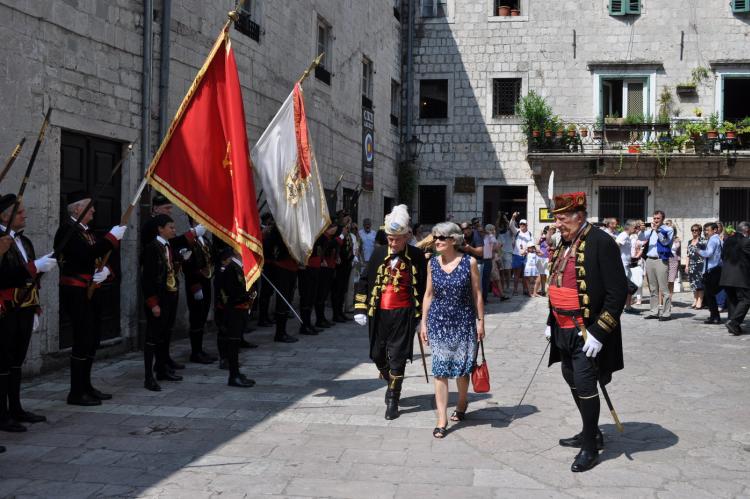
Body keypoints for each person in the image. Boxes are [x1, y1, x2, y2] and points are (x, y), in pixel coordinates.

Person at [545, 191, 627, 472]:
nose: (557, 223)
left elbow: (618, 293)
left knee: (585, 382)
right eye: (556, 218)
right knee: (570, 376)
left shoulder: (601, 242)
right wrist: (549, 319)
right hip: (562, 327)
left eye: (562, 218)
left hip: (586, 330)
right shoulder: (562, 243)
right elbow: (557, 282)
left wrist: (599, 332)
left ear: (579, 216)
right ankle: (591, 431)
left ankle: (590, 448)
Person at [353, 205, 427, 420]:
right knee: (377, 354)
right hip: (379, 313)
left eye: (397, 239)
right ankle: (390, 380)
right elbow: (364, 280)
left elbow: (423, 286)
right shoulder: (378, 253)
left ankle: (394, 397)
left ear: (406, 236)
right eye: (389, 238)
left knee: (398, 357)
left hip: (404, 314)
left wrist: (423, 315)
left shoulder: (416, 255)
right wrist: (360, 307)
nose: (392, 243)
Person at [55, 191, 127, 405]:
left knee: (93, 339)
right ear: (77, 209)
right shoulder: (67, 231)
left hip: (92, 290)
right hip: (77, 292)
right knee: (82, 339)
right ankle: (76, 392)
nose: (94, 210)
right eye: (89, 206)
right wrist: (111, 238)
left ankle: (86, 386)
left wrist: (106, 271)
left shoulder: (86, 231)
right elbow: (84, 254)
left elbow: (97, 256)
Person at [419, 222, 484, 438]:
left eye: (442, 238)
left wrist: (480, 321)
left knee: (461, 370)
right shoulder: (432, 264)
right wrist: (423, 322)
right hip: (438, 322)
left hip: (463, 322)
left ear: (453, 240)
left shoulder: (469, 262)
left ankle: (462, 402)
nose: (436, 241)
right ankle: (441, 419)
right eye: (435, 237)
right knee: (440, 370)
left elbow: (477, 294)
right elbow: (428, 294)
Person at [0, 194, 58, 432]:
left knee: (16, 363)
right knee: (2, 364)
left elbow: (30, 280)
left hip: (24, 309)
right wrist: (34, 267)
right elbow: (4, 277)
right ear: (6, 215)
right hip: (6, 311)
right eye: (20, 211)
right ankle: (1, 416)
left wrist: (35, 308)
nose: (25, 214)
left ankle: (16, 408)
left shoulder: (26, 242)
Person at [140, 194, 205, 370]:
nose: (170, 212)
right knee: (157, 330)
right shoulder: (150, 226)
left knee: (167, 327)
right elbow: (162, 246)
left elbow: (170, 246)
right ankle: (158, 365)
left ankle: (165, 359)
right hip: (158, 284)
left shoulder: (165, 229)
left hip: (170, 281)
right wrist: (190, 235)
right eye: (167, 209)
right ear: (155, 208)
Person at [141, 215, 184, 391]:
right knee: (152, 337)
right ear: (160, 229)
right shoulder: (152, 248)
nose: (174, 230)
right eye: (171, 227)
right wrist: (153, 303)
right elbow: (147, 278)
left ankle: (161, 368)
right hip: (158, 298)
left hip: (170, 296)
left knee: (165, 333)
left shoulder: (168, 246)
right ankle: (148, 377)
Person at [214, 247, 256, 387]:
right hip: (234, 311)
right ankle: (233, 375)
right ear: (238, 252)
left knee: (236, 342)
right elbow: (231, 293)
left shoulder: (240, 267)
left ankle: (236, 372)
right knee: (232, 342)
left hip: (240, 310)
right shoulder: (231, 269)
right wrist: (246, 296)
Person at [182, 221, 217, 364]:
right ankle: (195, 352)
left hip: (206, 280)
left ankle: (200, 349)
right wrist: (195, 287)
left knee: (202, 315)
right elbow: (187, 266)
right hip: (195, 283)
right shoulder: (188, 241)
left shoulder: (205, 239)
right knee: (196, 317)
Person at [263, 225, 301, 342]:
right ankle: (280, 333)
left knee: (288, 298)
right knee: (283, 299)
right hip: (282, 268)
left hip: (292, 267)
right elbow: (273, 248)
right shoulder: (278, 230)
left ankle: (283, 331)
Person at [639, 210, 674, 321]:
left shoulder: (668, 229)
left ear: (662, 219)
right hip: (650, 260)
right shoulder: (651, 230)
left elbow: (665, 242)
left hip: (661, 260)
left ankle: (666, 313)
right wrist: (642, 230)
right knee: (653, 289)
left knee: (664, 288)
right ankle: (654, 312)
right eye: (654, 218)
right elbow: (641, 238)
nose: (655, 220)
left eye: (658, 218)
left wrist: (657, 230)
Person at [720, 222, 750, 335]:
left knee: (733, 300)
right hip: (741, 277)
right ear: (747, 231)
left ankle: (733, 326)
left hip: (726, 277)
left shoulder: (728, 241)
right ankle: (733, 322)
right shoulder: (746, 241)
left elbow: (723, 256)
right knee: (746, 299)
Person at [698, 222, 723, 325]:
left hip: (712, 270)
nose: (706, 232)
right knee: (711, 294)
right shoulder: (719, 240)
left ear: (715, 230)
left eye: (708, 230)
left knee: (709, 295)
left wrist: (698, 251)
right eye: (705, 230)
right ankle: (715, 315)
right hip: (717, 269)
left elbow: (708, 253)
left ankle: (715, 316)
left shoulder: (713, 240)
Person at [314, 223, 339, 329]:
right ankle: (319, 319)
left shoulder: (329, 238)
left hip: (330, 267)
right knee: (321, 294)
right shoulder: (323, 237)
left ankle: (322, 318)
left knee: (324, 294)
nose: (335, 230)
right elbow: (326, 247)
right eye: (334, 228)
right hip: (323, 268)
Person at [615, 220, 637, 312]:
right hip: (622, 265)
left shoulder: (628, 236)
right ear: (629, 227)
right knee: (625, 286)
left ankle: (627, 306)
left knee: (628, 287)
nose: (636, 229)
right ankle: (621, 306)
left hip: (627, 265)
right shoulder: (623, 235)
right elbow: (616, 246)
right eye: (635, 227)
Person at [511, 216, 534, 296]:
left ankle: (525, 289)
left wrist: (526, 251)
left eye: (523, 224)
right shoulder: (517, 231)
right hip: (517, 255)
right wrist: (513, 217)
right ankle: (515, 290)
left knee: (525, 274)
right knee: (516, 274)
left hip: (526, 256)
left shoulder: (530, 234)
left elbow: (532, 245)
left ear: (526, 225)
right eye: (521, 224)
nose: (522, 225)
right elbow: (511, 225)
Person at [686, 224, 706, 309]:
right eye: (693, 230)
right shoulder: (689, 241)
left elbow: (706, 253)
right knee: (693, 284)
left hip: (700, 265)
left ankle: (700, 301)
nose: (694, 232)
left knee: (700, 284)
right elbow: (688, 255)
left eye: (696, 230)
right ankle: (695, 300)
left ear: (700, 231)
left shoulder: (702, 241)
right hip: (692, 265)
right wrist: (686, 266)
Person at [495, 213, 515, 294]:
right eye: (502, 226)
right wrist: (499, 217)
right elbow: (496, 226)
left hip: (508, 253)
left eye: (505, 226)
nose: (503, 227)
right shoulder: (499, 234)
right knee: (501, 272)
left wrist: (506, 219)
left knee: (508, 271)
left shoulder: (509, 233)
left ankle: (508, 286)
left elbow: (510, 227)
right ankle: (502, 287)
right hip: (500, 254)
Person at [664, 221, 681, 303]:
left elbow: (679, 253)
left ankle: (669, 299)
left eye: (672, 229)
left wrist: (679, 263)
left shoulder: (677, 239)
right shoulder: (663, 238)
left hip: (674, 260)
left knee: (671, 281)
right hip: (665, 259)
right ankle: (663, 299)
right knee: (663, 280)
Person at [481, 224, 498, 303]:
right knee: (484, 280)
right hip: (485, 260)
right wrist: (491, 234)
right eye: (494, 229)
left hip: (487, 260)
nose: (495, 231)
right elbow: (495, 244)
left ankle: (484, 298)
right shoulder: (489, 237)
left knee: (485, 280)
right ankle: (483, 298)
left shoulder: (487, 237)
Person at [535, 227, 551, 297]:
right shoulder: (542, 239)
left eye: (546, 231)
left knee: (547, 275)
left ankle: (548, 291)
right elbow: (537, 243)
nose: (545, 232)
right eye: (545, 231)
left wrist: (548, 235)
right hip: (541, 258)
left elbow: (550, 244)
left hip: (547, 258)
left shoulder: (550, 238)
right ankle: (543, 291)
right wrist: (541, 235)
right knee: (542, 275)